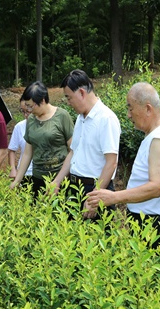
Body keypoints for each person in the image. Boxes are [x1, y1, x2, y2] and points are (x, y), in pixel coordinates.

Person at [85, 83, 160, 241]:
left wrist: (114, 197)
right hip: (148, 221)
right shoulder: (159, 133)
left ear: (148, 109)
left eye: (131, 108)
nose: (129, 115)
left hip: (154, 224)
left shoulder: (159, 139)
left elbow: (156, 187)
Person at [51, 69, 121, 220]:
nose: (68, 103)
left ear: (82, 93)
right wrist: (57, 181)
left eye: (69, 98)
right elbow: (73, 152)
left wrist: (94, 198)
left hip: (95, 189)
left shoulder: (106, 118)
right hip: (75, 187)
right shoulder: (81, 118)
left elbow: (111, 162)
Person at [10, 81, 73, 196]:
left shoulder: (62, 116)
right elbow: (27, 154)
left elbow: (72, 150)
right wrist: (17, 180)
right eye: (27, 106)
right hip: (38, 178)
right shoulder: (31, 120)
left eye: (30, 106)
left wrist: (58, 181)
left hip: (60, 179)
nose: (29, 110)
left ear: (42, 100)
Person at [8, 97, 33, 184]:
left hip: (42, 173)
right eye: (23, 111)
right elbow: (11, 150)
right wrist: (13, 169)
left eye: (28, 111)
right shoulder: (19, 127)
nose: (25, 115)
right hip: (24, 173)